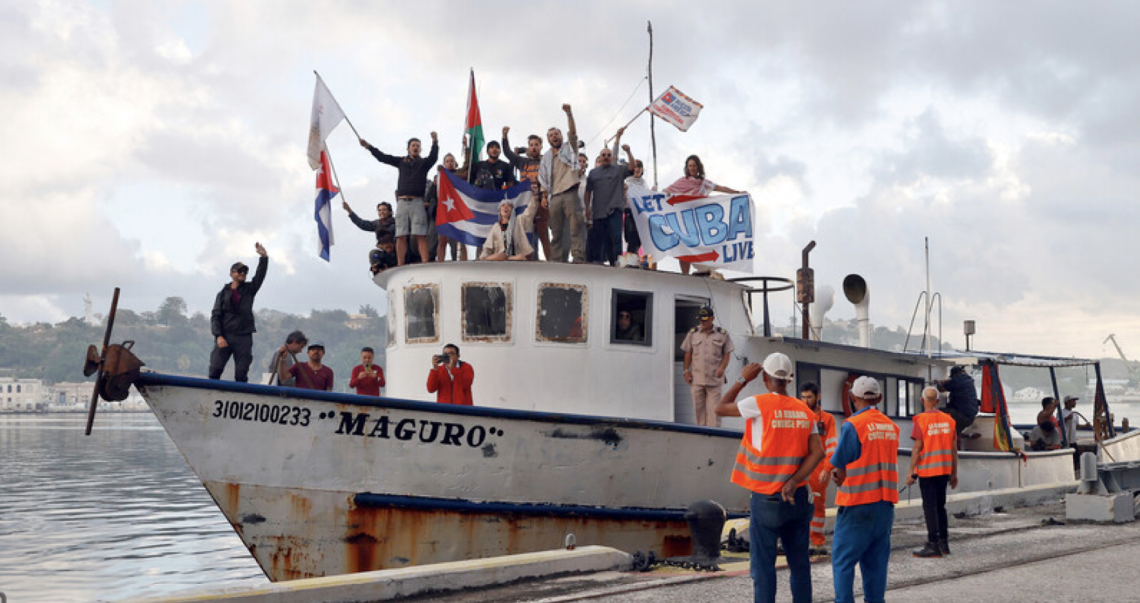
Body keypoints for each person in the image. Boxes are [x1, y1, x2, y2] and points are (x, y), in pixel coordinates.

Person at [715, 352, 823, 603]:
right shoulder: (805, 411)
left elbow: (719, 407)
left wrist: (742, 379)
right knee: (800, 566)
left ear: (765, 377)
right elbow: (818, 452)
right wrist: (794, 481)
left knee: (764, 569)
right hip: (797, 497)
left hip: (767, 499)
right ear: (790, 379)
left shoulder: (759, 404)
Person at [829, 376, 900, 603]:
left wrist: (836, 474)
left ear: (853, 398)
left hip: (857, 504)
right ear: (878, 398)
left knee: (843, 562)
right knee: (876, 566)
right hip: (884, 506)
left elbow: (839, 467)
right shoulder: (892, 427)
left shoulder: (853, 425)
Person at [359, 132, 439, 266]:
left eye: (418, 146)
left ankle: (425, 262)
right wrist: (368, 147)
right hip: (402, 202)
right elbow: (383, 157)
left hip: (418, 201)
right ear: (408, 148)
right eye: (413, 145)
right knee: (401, 235)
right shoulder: (401, 162)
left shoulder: (423, 163)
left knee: (421, 234)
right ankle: (400, 264)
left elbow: (433, 157)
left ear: (420, 149)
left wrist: (435, 142)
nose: (415, 147)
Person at [664, 155, 743, 275]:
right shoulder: (682, 181)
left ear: (698, 167)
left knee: (702, 246)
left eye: (694, 166)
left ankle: (706, 270)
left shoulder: (703, 183)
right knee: (684, 247)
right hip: (685, 220)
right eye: (690, 166)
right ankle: (684, 274)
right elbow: (667, 191)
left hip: (700, 221)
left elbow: (720, 188)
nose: (692, 168)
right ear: (687, 167)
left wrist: (737, 193)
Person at [906, 386, 959, 558]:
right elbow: (953, 450)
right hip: (944, 470)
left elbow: (917, 447)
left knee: (929, 508)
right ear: (937, 402)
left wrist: (911, 471)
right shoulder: (949, 421)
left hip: (928, 471)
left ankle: (932, 544)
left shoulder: (920, 420)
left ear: (922, 401)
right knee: (940, 507)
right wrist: (954, 474)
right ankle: (944, 543)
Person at [208, 243, 268, 383]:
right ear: (231, 274)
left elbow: (260, 276)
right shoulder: (222, 294)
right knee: (215, 369)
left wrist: (264, 258)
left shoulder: (249, 290)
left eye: (245, 272)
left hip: (244, 337)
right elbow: (216, 316)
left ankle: (239, 399)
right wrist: (218, 336)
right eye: (239, 271)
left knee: (241, 373)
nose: (242, 273)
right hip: (225, 335)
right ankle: (210, 394)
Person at [538, 104, 586, 263]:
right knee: (557, 232)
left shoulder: (569, 148)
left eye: (556, 133)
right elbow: (543, 178)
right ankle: (557, 260)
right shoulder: (546, 158)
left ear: (561, 136)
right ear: (548, 139)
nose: (554, 136)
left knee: (575, 228)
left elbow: (573, 133)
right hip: (555, 197)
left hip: (570, 192)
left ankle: (578, 257)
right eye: (551, 135)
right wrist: (544, 196)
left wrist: (569, 115)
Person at [583, 128, 635, 266]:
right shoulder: (593, 173)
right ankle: (598, 262)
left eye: (608, 155)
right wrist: (587, 207)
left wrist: (629, 151)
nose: (606, 157)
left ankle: (616, 262)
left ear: (611, 157)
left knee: (615, 239)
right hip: (598, 212)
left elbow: (632, 167)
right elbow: (588, 191)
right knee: (599, 239)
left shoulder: (618, 170)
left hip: (615, 211)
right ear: (599, 158)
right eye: (603, 155)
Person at [680, 305, 734, 427]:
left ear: (712, 318)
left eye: (705, 319)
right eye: (700, 319)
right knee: (698, 414)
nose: (702, 322)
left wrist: (722, 368)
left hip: (714, 380)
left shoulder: (722, 334)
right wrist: (686, 371)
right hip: (697, 379)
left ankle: (714, 439)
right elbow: (688, 352)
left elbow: (727, 353)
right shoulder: (693, 333)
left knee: (715, 413)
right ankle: (699, 438)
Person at [800, 381, 837, 554]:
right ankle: (797, 540)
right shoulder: (799, 416)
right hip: (800, 467)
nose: (805, 401)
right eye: (803, 397)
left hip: (819, 469)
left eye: (809, 397)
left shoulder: (828, 419)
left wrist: (827, 469)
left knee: (817, 505)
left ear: (818, 397)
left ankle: (817, 541)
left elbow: (832, 447)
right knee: (795, 503)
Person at [503, 127, 549, 260]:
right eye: (531, 145)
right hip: (525, 202)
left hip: (541, 200)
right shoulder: (522, 162)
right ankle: (529, 260)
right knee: (526, 232)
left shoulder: (546, 161)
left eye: (536, 145)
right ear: (528, 147)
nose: (534, 147)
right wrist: (505, 137)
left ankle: (550, 261)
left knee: (543, 233)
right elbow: (508, 153)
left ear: (541, 146)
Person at [425, 152, 470, 262]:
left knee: (459, 240)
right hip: (443, 212)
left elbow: (467, 168)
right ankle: (440, 262)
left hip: (457, 211)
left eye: (452, 161)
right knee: (442, 240)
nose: (450, 163)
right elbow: (430, 196)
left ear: (455, 163)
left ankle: (463, 262)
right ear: (444, 163)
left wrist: (466, 148)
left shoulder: (460, 175)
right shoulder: (439, 177)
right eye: (447, 161)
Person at [936, 365, 980, 436]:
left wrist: (938, 382)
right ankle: (960, 436)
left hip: (961, 415)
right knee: (954, 432)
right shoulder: (968, 380)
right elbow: (952, 382)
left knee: (938, 412)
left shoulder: (956, 380)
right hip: (970, 417)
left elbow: (941, 389)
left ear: (954, 375)